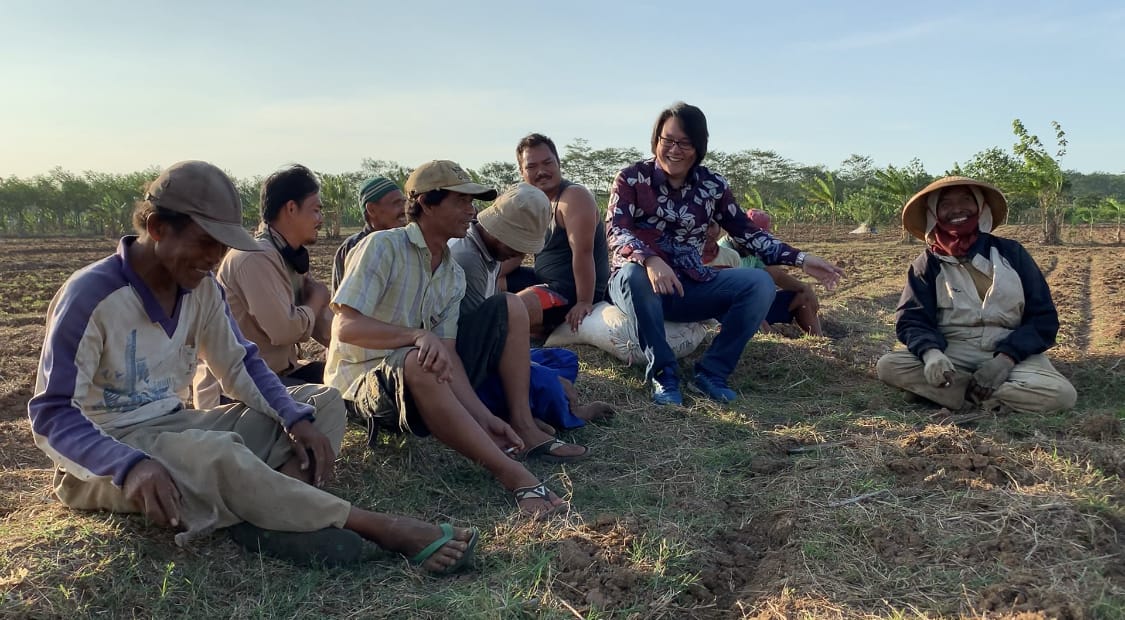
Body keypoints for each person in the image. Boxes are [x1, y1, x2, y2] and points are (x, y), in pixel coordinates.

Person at [28, 161, 477, 571]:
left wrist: (293, 417)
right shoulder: (92, 295)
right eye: (206, 242)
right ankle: (378, 527)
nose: (215, 259)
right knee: (218, 454)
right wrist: (130, 466)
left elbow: (239, 363)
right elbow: (52, 414)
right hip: (108, 452)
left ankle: (266, 517)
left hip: (173, 424)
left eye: (222, 246)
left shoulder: (202, 288)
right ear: (157, 227)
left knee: (322, 404)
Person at [326, 160, 568, 515]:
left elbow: (450, 356)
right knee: (421, 358)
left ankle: (504, 436)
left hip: (412, 377)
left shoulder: (452, 274)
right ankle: (514, 475)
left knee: (430, 358)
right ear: (426, 202)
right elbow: (345, 327)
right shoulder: (382, 246)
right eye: (461, 201)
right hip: (358, 385)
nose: (471, 211)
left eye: (472, 202)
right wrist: (416, 336)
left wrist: (483, 417)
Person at [606, 102, 844, 405]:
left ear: (699, 146)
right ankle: (664, 374)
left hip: (687, 284)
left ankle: (712, 372)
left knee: (759, 283)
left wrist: (801, 259)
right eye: (668, 140)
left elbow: (748, 233)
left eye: (685, 143)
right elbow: (616, 230)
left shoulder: (712, 185)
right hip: (637, 284)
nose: (675, 150)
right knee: (633, 273)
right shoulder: (631, 178)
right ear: (656, 140)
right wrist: (650, 260)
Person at [876, 176, 1077, 416]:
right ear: (934, 213)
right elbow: (912, 319)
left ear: (981, 207)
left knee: (1062, 395)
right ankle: (985, 395)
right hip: (953, 349)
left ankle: (946, 393)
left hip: (1009, 348)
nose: (957, 209)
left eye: (966, 201)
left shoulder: (1012, 253)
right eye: (946, 204)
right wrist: (931, 354)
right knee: (889, 366)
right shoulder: (927, 264)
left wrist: (1005, 360)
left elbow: (1043, 318)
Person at [449, 182, 612, 442]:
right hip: (466, 368)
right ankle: (555, 415)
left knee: (564, 360)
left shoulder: (488, 253)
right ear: (500, 232)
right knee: (548, 382)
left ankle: (526, 406)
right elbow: (473, 348)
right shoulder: (468, 260)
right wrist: (533, 370)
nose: (520, 253)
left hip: (486, 352)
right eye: (517, 245)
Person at [193, 164, 332, 408]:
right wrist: (317, 300)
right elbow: (284, 330)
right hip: (236, 389)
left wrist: (353, 349)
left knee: (341, 379)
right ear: (291, 208)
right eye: (316, 210)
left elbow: (319, 324)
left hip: (277, 375)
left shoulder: (288, 256)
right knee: (327, 400)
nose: (320, 219)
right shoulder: (254, 257)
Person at [507, 133, 611, 336]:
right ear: (522, 172)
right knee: (496, 283)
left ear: (558, 163)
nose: (541, 172)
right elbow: (516, 253)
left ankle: (535, 325)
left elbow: (583, 252)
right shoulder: (532, 202)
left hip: (570, 290)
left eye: (547, 163)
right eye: (532, 166)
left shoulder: (573, 197)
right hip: (543, 279)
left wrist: (584, 301)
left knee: (509, 309)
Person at [714, 211, 824, 336]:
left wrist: (805, 288)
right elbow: (730, 298)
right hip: (730, 311)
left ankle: (819, 340)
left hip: (755, 305)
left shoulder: (753, 249)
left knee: (804, 296)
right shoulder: (722, 253)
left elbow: (776, 275)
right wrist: (767, 330)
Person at [332, 176, 407, 292]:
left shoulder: (409, 242)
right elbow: (342, 298)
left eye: (404, 202)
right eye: (396, 203)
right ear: (372, 209)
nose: (404, 209)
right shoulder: (354, 247)